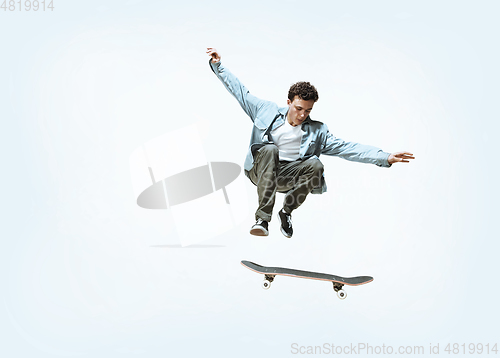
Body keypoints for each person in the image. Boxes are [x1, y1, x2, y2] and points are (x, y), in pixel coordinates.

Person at [206, 47, 414, 238]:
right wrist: (218, 66)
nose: (302, 114)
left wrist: (384, 157)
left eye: (308, 110)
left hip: (287, 176)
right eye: (298, 108)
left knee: (316, 164)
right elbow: (240, 92)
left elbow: (347, 148)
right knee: (269, 149)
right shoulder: (265, 110)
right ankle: (262, 219)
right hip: (260, 171)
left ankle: (286, 212)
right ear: (289, 102)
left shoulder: (317, 131)